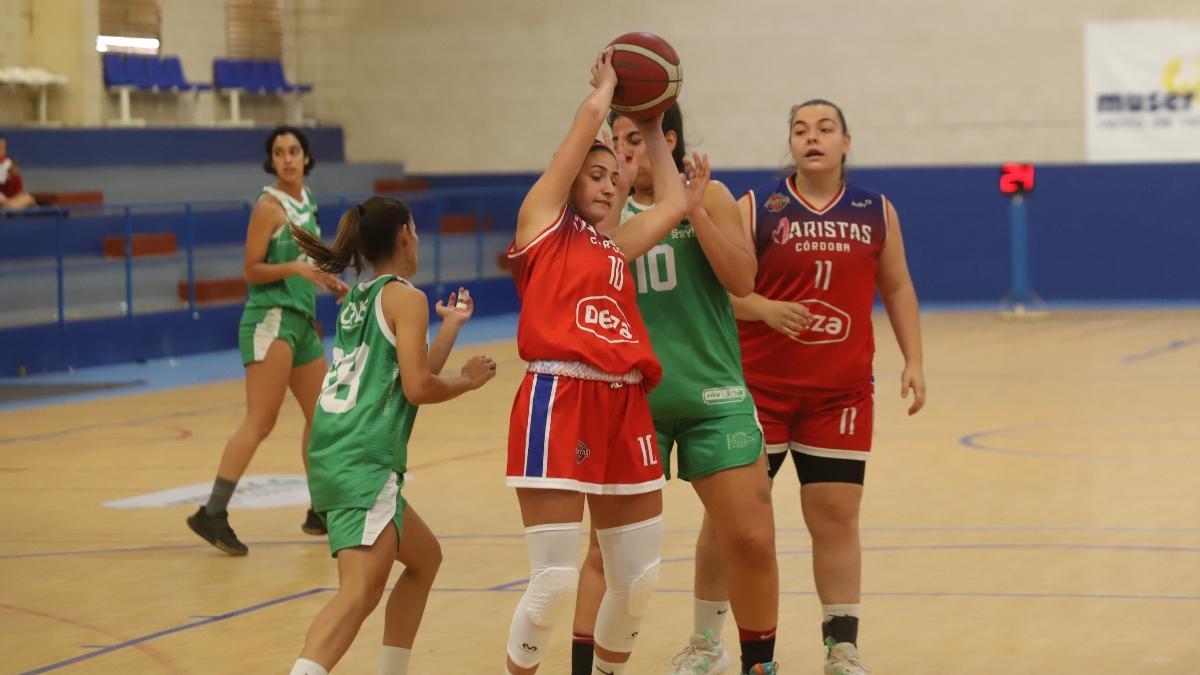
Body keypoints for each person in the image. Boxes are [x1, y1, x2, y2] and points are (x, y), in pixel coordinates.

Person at [570, 104, 781, 675]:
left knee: (753, 540)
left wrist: (691, 209)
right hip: (629, 398)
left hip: (712, 394)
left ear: (667, 140)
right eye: (614, 139)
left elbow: (742, 281)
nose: (623, 149)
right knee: (608, 556)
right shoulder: (597, 210)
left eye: (635, 137)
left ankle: (758, 664)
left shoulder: (709, 196)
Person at [502, 48, 688, 675]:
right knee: (554, 582)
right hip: (560, 394)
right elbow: (582, 132)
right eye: (597, 173)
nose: (610, 184)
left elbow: (672, 204)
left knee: (639, 582)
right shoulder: (541, 225)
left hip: (625, 401)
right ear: (569, 177)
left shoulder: (611, 244)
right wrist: (608, 92)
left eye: (616, 177)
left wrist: (657, 121)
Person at [729, 99, 927, 675]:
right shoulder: (755, 208)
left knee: (836, 516)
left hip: (839, 394)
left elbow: (898, 289)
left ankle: (841, 646)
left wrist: (913, 360)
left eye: (824, 129)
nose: (811, 137)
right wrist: (764, 309)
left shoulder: (875, 211)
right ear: (789, 144)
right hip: (757, 391)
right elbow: (720, 290)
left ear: (846, 141)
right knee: (737, 524)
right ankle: (707, 638)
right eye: (799, 129)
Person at [286, 197, 496, 675]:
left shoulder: (360, 299)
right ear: (404, 233)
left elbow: (408, 377)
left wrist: (450, 329)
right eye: (417, 231)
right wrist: (467, 381)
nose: (418, 239)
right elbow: (420, 388)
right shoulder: (407, 297)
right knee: (358, 593)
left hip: (337, 454)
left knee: (425, 560)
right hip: (364, 459)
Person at [187, 125, 349, 555]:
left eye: (294, 150)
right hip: (270, 320)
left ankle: (320, 509)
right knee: (261, 420)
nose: (288, 158)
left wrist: (329, 281)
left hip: (301, 323)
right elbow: (251, 270)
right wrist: (296, 272)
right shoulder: (268, 206)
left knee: (323, 418)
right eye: (279, 153)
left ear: (307, 157)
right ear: (272, 162)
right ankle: (213, 512)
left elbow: (306, 260)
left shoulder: (307, 202)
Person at [0, 133, 37, 210]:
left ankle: (8, 208)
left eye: (4, 147)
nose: (3, 151)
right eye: (0, 147)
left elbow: (17, 192)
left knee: (28, 198)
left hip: (8, 200)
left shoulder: (9, 164)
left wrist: (13, 177)